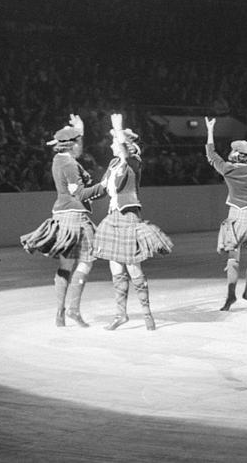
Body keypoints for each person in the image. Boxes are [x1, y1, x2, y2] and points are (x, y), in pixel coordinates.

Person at [20, 115, 105, 327]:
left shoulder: (60, 159)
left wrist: (80, 130)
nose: (81, 146)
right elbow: (81, 194)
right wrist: (106, 186)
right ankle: (73, 310)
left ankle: (60, 313)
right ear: (73, 145)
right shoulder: (69, 164)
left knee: (66, 265)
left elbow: (74, 187)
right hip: (75, 218)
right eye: (79, 142)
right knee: (86, 262)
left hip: (62, 217)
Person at [92, 114, 173, 331]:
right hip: (113, 217)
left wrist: (117, 128)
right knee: (115, 266)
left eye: (115, 141)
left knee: (133, 266)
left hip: (128, 217)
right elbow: (100, 188)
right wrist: (77, 195)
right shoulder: (113, 164)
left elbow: (126, 155)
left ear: (125, 145)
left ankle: (147, 315)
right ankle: (121, 314)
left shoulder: (134, 162)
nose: (111, 144)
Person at [205, 117, 247, 311]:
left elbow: (211, 154)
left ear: (237, 155)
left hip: (235, 215)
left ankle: (230, 296)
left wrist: (210, 130)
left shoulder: (227, 169)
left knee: (233, 258)